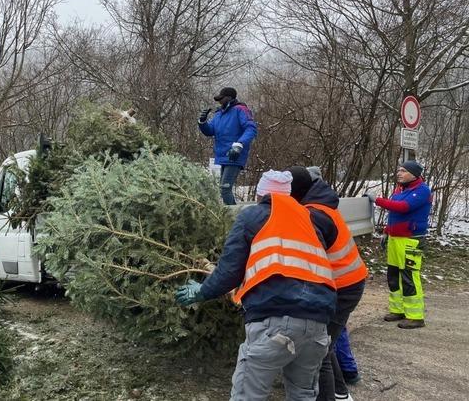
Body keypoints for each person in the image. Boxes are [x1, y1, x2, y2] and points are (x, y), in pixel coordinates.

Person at [175, 170, 335, 401]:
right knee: (303, 394)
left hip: (276, 319)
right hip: (319, 322)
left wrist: (201, 291)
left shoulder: (253, 216)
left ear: (261, 195)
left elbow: (229, 272)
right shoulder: (310, 221)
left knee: (248, 395)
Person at [289, 166, 367, 401]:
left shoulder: (314, 216)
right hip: (347, 283)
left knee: (318, 348)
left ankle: (336, 395)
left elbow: (310, 260)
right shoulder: (320, 206)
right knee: (325, 342)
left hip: (342, 288)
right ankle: (341, 393)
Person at [365, 160, 432, 329]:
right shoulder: (400, 190)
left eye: (403, 171)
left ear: (414, 174)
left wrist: (378, 200)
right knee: (393, 276)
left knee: (409, 276)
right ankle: (398, 310)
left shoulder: (422, 190)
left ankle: (415, 316)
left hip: (411, 240)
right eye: (399, 170)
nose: (399, 173)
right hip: (395, 239)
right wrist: (387, 231)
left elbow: (403, 208)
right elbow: (395, 215)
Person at [198, 87, 257, 205]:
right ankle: (231, 216)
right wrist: (202, 122)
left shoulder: (240, 109)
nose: (219, 101)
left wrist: (239, 144)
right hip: (223, 155)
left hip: (234, 154)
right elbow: (210, 131)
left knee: (225, 188)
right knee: (223, 189)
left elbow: (251, 128)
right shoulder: (219, 114)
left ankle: (233, 219)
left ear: (229, 98)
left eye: (222, 98)